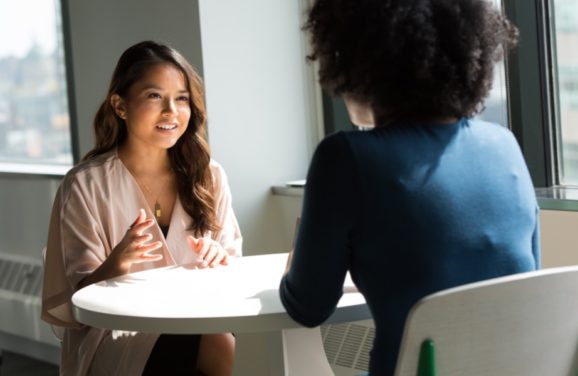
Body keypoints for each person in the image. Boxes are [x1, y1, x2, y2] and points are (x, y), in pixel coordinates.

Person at [279, 1, 540, 375]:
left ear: (357, 58)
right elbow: (528, 286)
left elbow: (308, 307)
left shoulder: (346, 158)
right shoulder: (505, 146)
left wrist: (296, 261)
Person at [41, 41, 242, 376]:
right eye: (154, 96)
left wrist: (218, 257)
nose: (171, 111)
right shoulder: (85, 185)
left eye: (181, 98)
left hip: (197, 317)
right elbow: (77, 301)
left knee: (224, 338)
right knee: (213, 342)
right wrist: (116, 264)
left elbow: (232, 264)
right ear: (120, 105)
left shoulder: (209, 175)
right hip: (115, 332)